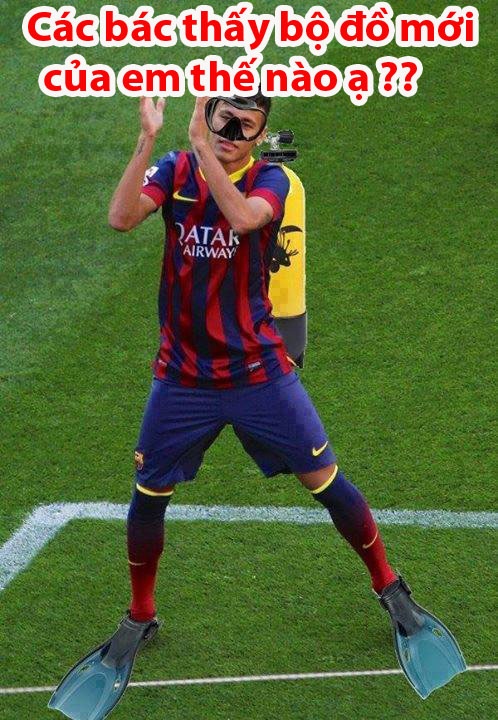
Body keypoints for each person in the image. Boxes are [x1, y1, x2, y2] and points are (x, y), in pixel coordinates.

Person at [48, 92, 466, 720]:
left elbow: (244, 218)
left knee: (326, 481)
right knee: (148, 496)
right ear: (208, 113)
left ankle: (390, 587)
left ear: (261, 135)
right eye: (224, 118)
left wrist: (200, 147)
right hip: (182, 379)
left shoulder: (271, 181)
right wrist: (147, 140)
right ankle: (140, 614)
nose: (231, 131)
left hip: (257, 374)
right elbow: (120, 218)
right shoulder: (175, 168)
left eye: (247, 125)